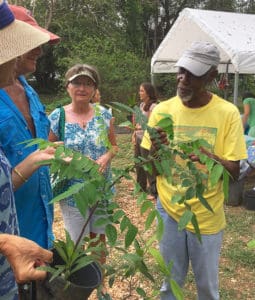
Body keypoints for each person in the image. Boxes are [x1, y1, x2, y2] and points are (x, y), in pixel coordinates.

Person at [141, 41, 247, 300]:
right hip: (168, 210)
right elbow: (150, 171)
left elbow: (234, 173)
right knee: (170, 284)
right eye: (181, 70)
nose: (183, 79)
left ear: (212, 75)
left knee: (207, 288)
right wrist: (155, 150)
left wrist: (209, 157)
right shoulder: (163, 111)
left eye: (193, 73)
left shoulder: (227, 113)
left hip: (206, 214)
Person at [0, 1, 54, 298]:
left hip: (33, 231)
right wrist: (5, 243)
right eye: (22, 43)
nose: (36, 50)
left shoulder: (28, 89)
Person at [48, 63, 118, 265]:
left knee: (99, 238)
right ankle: (76, 284)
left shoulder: (104, 115)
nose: (82, 88)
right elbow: (49, 149)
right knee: (76, 243)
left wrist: (106, 157)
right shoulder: (58, 116)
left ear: (95, 89)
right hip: (72, 192)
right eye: (77, 82)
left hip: (101, 188)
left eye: (88, 83)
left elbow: (114, 146)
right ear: (67, 87)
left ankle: (100, 283)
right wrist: (68, 158)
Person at [133, 82, 157, 200]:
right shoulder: (142, 105)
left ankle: (154, 191)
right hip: (138, 138)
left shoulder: (154, 107)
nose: (139, 93)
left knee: (148, 164)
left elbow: (152, 124)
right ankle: (141, 187)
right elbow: (137, 123)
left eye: (142, 91)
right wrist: (134, 134)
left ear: (148, 93)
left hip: (147, 139)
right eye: (139, 90)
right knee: (138, 163)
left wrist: (140, 127)